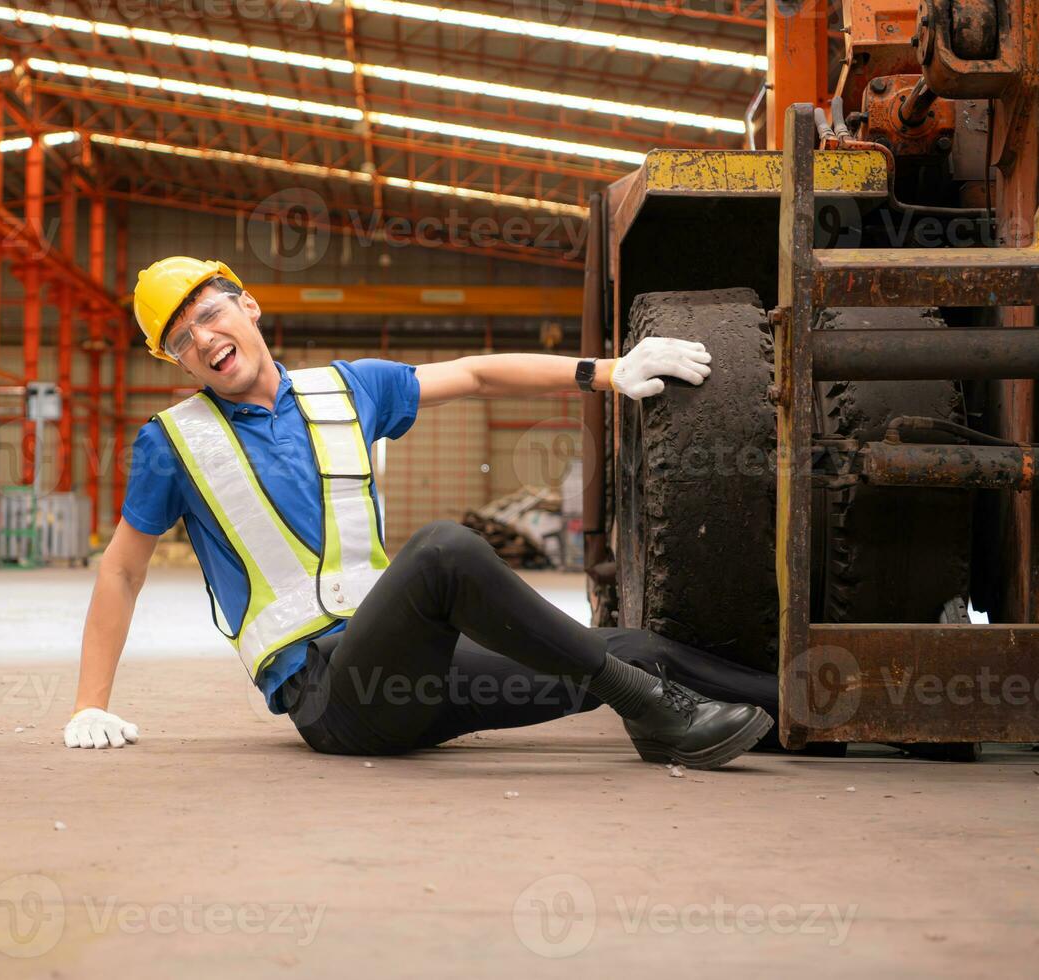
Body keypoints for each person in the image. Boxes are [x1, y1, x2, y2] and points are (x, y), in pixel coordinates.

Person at [64, 257, 774, 769]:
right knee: (441, 552)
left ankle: (802, 715)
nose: (202, 337)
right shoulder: (173, 443)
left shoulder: (345, 390)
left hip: (416, 673)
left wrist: (607, 371)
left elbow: (474, 373)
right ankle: (651, 708)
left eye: (210, 312)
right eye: (181, 338)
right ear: (178, 363)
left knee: (630, 652)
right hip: (336, 698)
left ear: (248, 307)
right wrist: (88, 704)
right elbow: (122, 571)